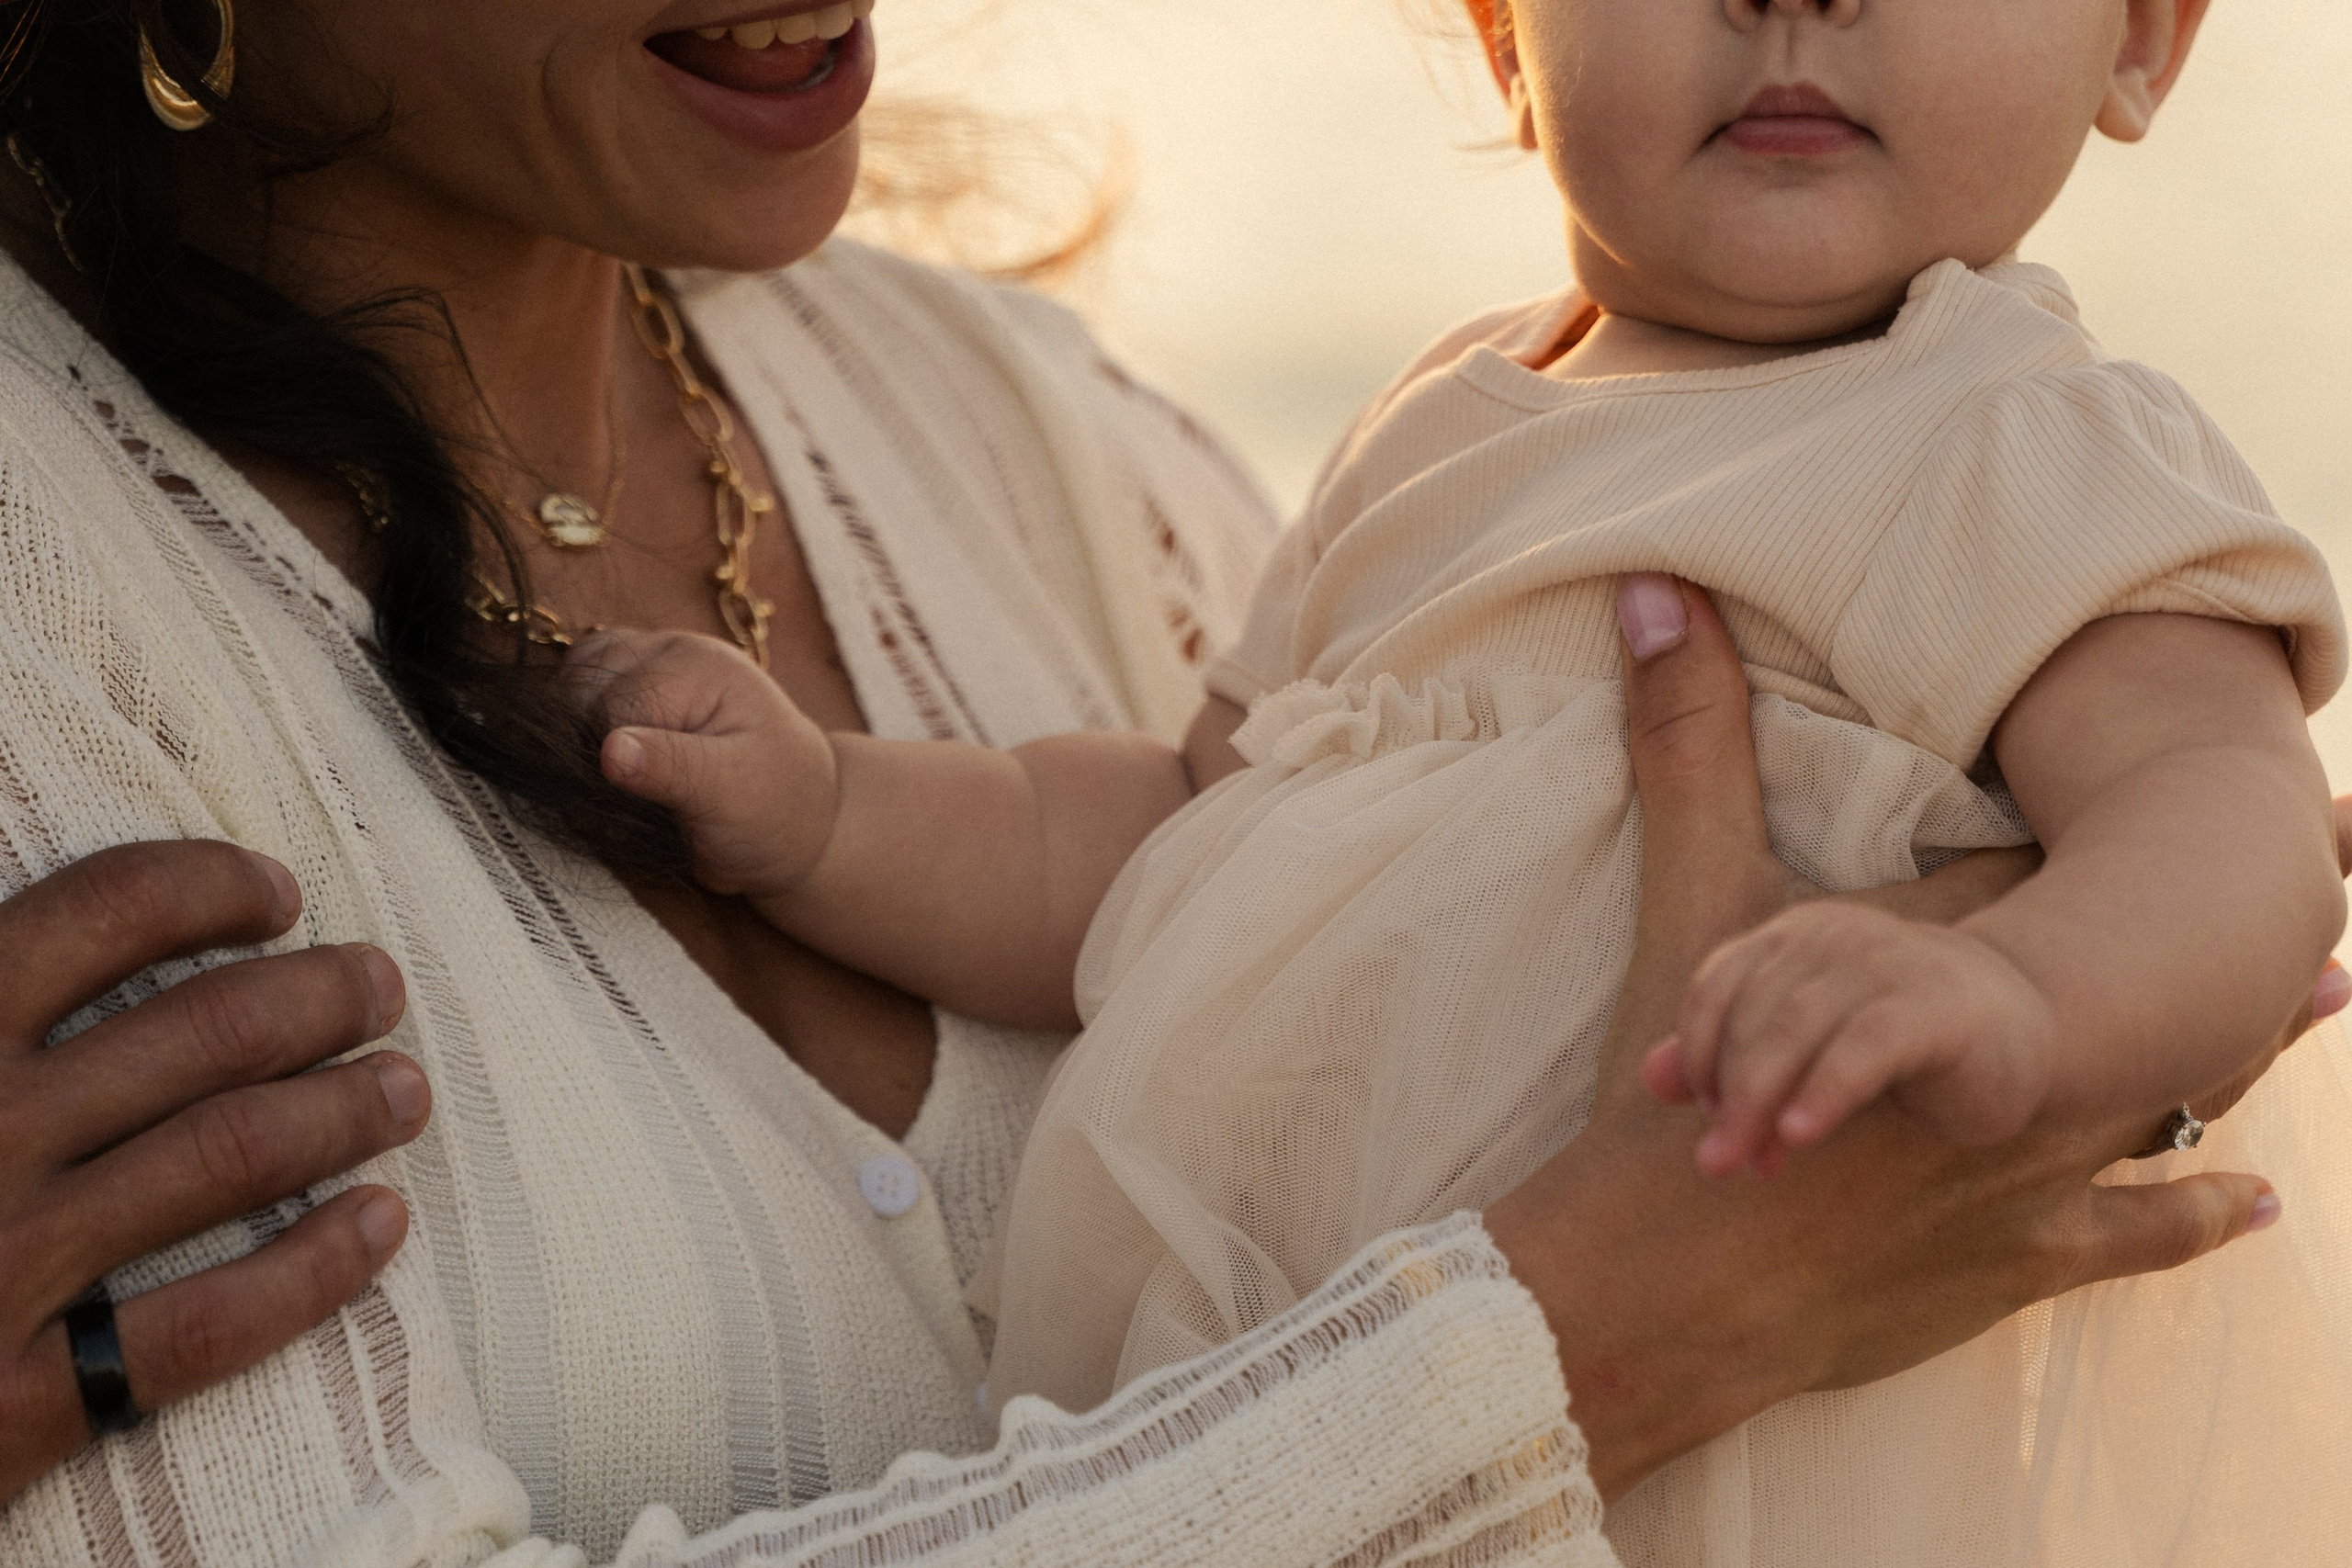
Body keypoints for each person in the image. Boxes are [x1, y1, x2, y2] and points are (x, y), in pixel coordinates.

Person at [0, 1, 2329, 1564]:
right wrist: (1586, 1335)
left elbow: (2234, 839)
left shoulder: (1037, 434)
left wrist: (2030, 1001)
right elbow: (1147, 831)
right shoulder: (1448, 446)